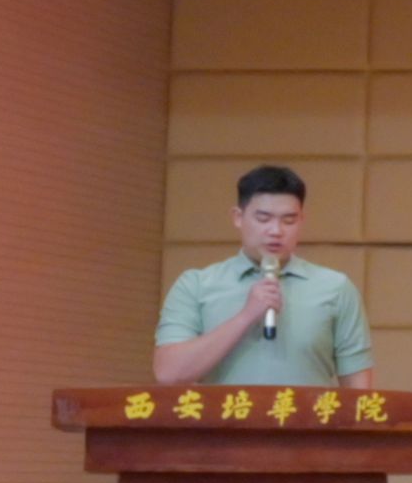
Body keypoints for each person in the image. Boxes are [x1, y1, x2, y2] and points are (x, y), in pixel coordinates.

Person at [153, 164, 377, 391]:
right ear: (238, 217)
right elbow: (169, 373)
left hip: (307, 415)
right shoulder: (196, 285)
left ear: (302, 220)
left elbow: (359, 389)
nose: (276, 231)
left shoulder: (336, 288)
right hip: (228, 415)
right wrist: (246, 316)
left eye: (288, 220)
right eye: (263, 219)